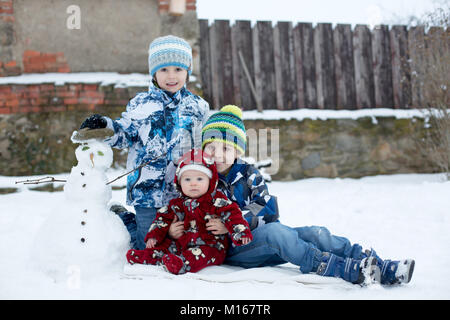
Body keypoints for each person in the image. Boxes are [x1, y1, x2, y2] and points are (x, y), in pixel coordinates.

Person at [188, 104, 414, 285]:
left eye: (226, 148)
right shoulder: (202, 179)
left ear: (237, 151)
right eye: (211, 147)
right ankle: (333, 267)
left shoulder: (249, 174)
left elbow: (267, 208)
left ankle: (373, 264)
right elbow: (196, 214)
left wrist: (233, 222)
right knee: (277, 233)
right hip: (231, 249)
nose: (217, 154)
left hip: (262, 239)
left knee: (315, 233)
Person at [79, 35, 209, 250]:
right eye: (164, 70)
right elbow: (125, 133)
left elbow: (204, 145)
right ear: (154, 73)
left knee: (181, 244)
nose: (171, 76)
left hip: (184, 191)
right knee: (147, 246)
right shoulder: (141, 104)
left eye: (178, 69)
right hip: (146, 191)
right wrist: (106, 126)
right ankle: (125, 220)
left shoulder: (198, 107)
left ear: (188, 71)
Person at [126, 149, 252, 275]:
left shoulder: (217, 201)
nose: (193, 184)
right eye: (187, 180)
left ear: (210, 181)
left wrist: (241, 232)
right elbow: (161, 219)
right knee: (165, 248)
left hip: (211, 246)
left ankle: (181, 264)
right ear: (179, 183)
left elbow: (233, 214)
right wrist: (154, 235)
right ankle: (148, 257)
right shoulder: (176, 204)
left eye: (199, 179)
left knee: (202, 254)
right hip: (181, 244)